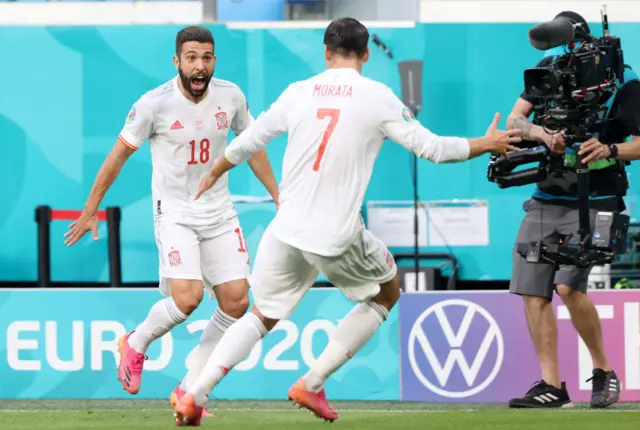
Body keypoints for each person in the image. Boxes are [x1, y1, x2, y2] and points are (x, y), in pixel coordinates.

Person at [169, 17, 521, 426]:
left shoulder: (298, 92)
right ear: (367, 54)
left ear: (325, 52)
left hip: (285, 228)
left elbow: (250, 139)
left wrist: (216, 169)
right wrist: (488, 143)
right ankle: (313, 383)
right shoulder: (377, 97)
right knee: (387, 292)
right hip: (335, 234)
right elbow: (435, 149)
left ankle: (195, 394)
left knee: (261, 314)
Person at [64, 26, 279, 414]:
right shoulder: (153, 104)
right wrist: (91, 208)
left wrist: (279, 196)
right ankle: (136, 342)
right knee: (188, 298)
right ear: (177, 61)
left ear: (215, 61)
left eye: (207, 58)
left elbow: (251, 147)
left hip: (219, 211)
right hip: (175, 213)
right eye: (192, 58)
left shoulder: (230, 96)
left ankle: (190, 388)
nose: (200, 66)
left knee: (236, 302)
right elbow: (117, 157)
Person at [507, 10, 640, 409]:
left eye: (577, 48)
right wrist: (540, 134)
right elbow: (516, 117)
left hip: (598, 200)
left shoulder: (625, 82)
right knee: (533, 288)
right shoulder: (547, 69)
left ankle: (603, 370)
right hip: (546, 197)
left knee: (567, 286)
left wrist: (610, 148)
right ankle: (551, 384)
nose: (571, 56)